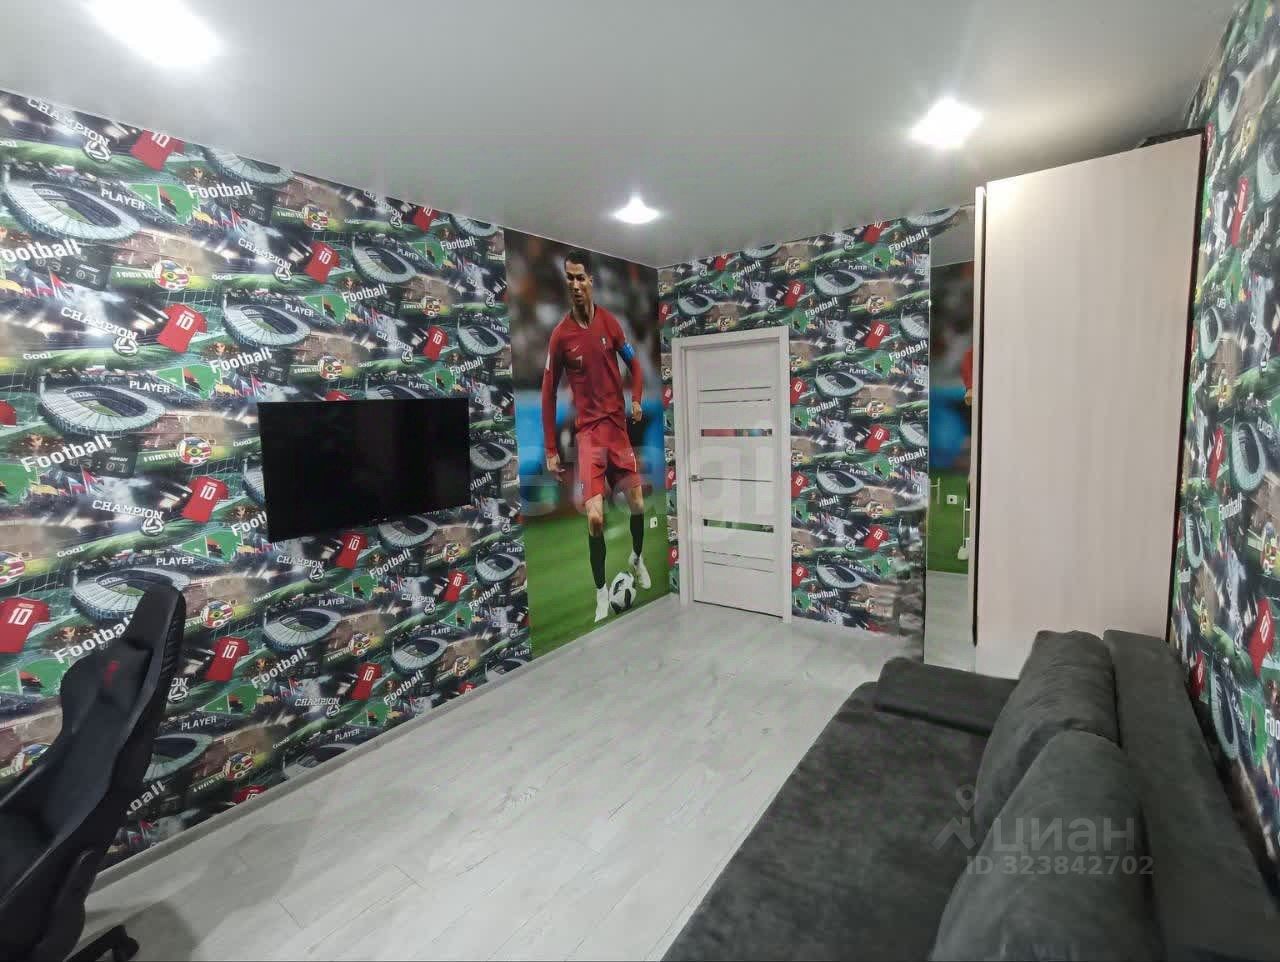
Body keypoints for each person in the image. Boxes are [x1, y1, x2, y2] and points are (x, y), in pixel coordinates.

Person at [541, 249, 650, 622]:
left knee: (638, 502)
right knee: (595, 519)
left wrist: (637, 398)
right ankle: (601, 592)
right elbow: (547, 393)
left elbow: (636, 366)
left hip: (617, 430)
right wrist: (551, 448)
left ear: (591, 281)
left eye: (579, 277)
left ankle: (636, 558)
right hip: (589, 435)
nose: (574, 284)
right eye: (569, 278)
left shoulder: (610, 324)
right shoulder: (560, 336)